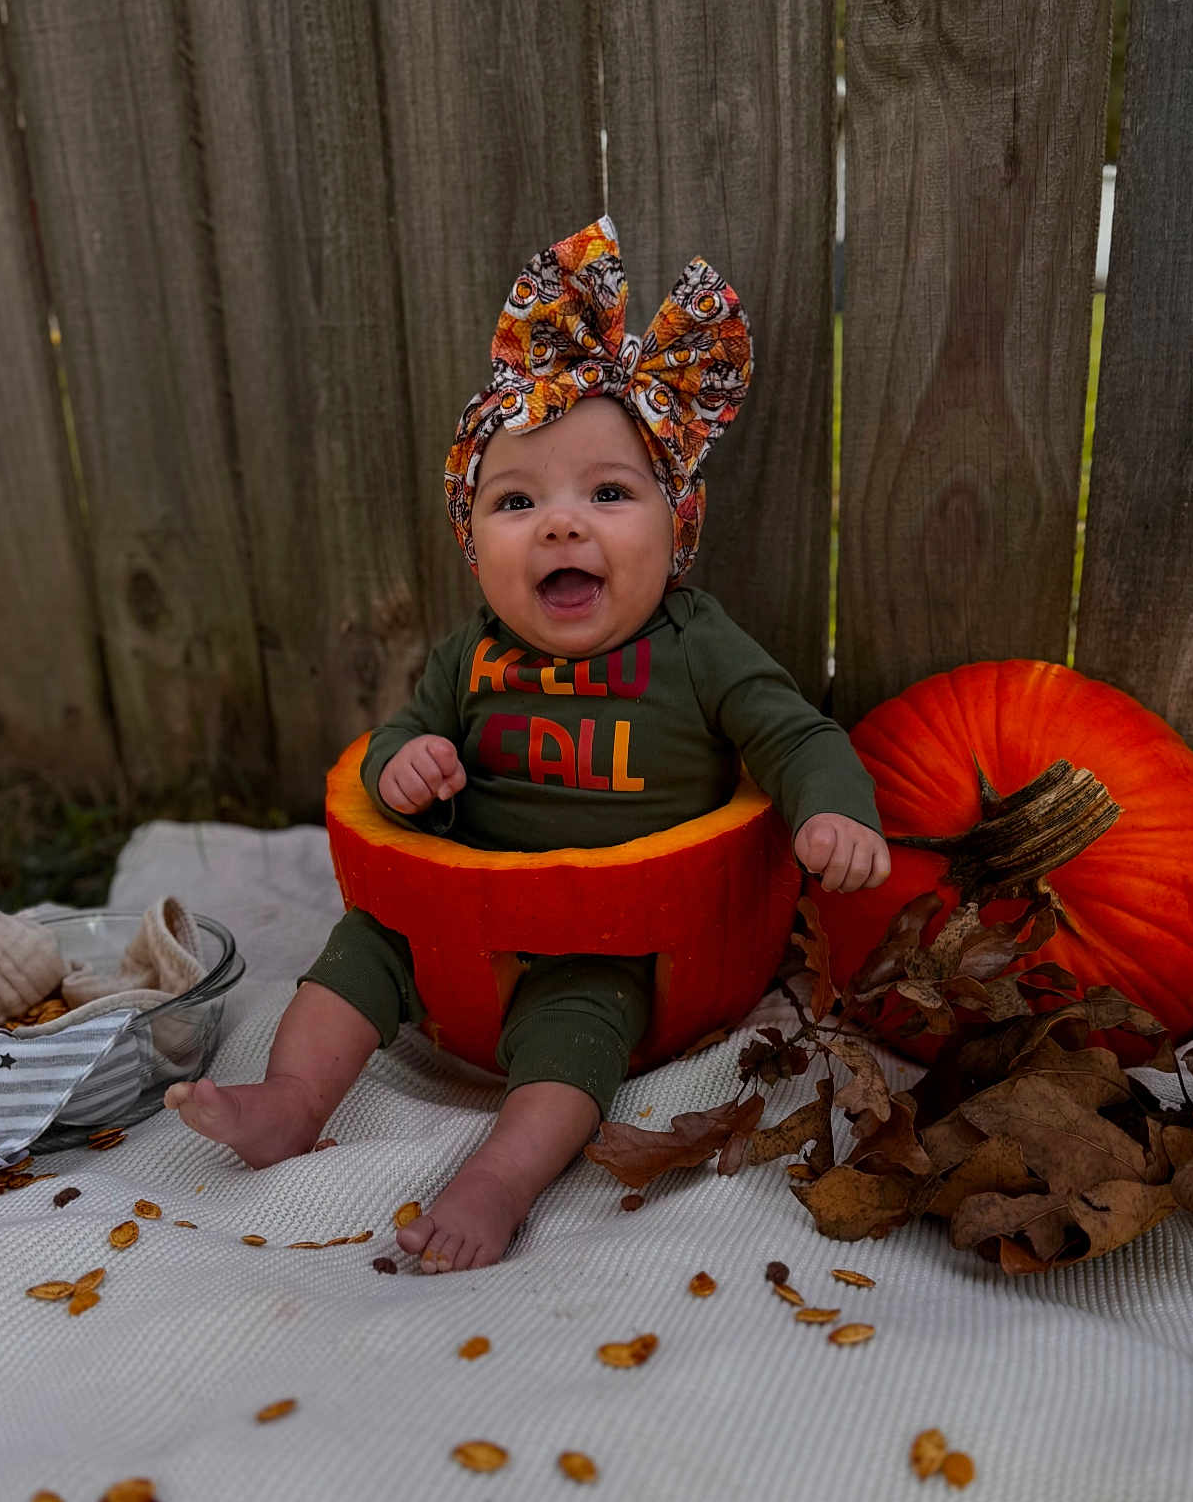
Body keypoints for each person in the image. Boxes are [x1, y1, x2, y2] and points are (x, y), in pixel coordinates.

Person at [165, 216, 890, 1272]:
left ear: (673, 524)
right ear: (475, 547)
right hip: (455, 927)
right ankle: (289, 1101)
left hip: (610, 944)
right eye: (516, 502)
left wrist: (835, 809)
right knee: (359, 951)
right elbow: (399, 738)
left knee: (576, 1043)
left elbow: (795, 734)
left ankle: (497, 1182)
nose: (561, 523)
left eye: (609, 492)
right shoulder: (472, 658)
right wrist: (400, 768)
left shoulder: (699, 647)